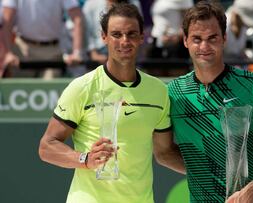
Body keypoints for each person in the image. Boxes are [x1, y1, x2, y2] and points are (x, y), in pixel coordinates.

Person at [38, 3, 183, 203]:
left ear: (142, 37)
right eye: (116, 34)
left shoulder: (158, 91)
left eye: (132, 34)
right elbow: (47, 146)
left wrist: (209, 173)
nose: (124, 41)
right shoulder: (82, 87)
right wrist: (85, 159)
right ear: (104, 37)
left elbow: (164, 152)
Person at [167, 1, 253, 202]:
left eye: (212, 38)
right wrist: (203, 172)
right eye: (196, 39)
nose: (204, 46)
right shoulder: (173, 92)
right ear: (185, 40)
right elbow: (163, 151)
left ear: (224, 38)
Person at [1, 0, 84, 78]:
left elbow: (77, 18)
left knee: (50, 89)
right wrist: (8, 53)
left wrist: (76, 52)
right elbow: (7, 19)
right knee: (19, 88)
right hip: (23, 50)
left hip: (52, 51)